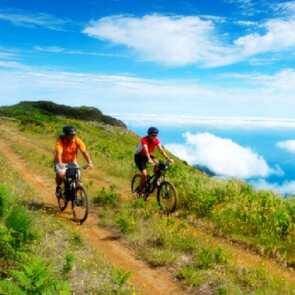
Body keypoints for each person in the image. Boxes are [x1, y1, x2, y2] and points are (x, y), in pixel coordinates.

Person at [54, 125, 93, 196]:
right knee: (61, 175)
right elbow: (59, 153)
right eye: (70, 135)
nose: (73, 136)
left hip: (72, 161)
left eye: (74, 135)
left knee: (77, 175)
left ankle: (78, 193)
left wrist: (89, 162)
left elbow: (84, 152)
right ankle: (59, 187)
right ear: (66, 135)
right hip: (60, 161)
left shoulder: (77, 140)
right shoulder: (60, 141)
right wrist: (60, 164)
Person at [134, 127, 173, 194]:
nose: (154, 136)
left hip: (148, 155)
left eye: (156, 135)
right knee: (144, 174)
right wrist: (149, 159)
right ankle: (139, 190)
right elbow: (146, 150)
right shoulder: (144, 140)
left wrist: (168, 158)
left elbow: (161, 150)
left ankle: (155, 179)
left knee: (158, 164)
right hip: (139, 157)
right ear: (149, 134)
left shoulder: (156, 140)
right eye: (153, 135)